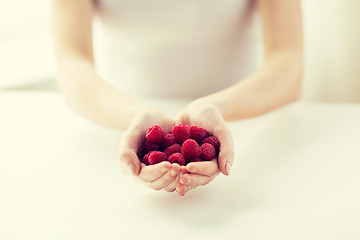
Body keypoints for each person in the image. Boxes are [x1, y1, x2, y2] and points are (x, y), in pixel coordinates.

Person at [52, 0, 303, 196]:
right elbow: (72, 64)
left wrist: (216, 108)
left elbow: (289, 64)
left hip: (247, 124)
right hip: (115, 120)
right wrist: (135, 118)